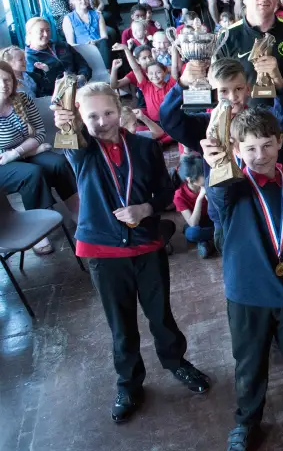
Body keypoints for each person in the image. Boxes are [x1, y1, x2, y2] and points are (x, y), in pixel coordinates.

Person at [52, 83, 210, 422]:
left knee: (161, 314)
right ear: (80, 117)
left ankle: (176, 362)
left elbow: (164, 191)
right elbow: (73, 138)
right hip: (103, 249)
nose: (101, 121)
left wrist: (147, 210)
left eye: (108, 112)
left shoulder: (143, 146)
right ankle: (128, 383)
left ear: (119, 110)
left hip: (146, 243)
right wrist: (66, 123)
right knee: (120, 324)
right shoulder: (80, 149)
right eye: (91, 116)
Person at [201, 108, 283, 451]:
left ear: (280, 142)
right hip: (247, 292)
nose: (259, 156)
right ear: (236, 150)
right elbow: (217, 202)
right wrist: (217, 164)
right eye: (250, 149)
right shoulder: (230, 184)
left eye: (266, 145)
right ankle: (246, 422)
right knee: (249, 363)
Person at [0, 60, 79, 256]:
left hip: (24, 152)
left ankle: (79, 214)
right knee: (32, 174)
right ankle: (39, 232)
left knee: (59, 163)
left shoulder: (23, 99)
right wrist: (20, 153)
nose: (3, 85)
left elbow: (40, 133)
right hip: (3, 163)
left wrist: (18, 153)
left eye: (7, 80)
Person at [24, 17, 92, 97]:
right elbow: (42, 86)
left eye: (48, 30)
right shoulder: (28, 58)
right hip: (58, 95)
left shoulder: (62, 45)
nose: (46, 34)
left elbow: (82, 63)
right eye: (41, 31)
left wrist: (83, 75)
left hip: (80, 85)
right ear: (30, 33)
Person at [173, 154, 215, 258]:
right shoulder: (179, 195)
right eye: (203, 174)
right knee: (192, 233)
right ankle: (215, 238)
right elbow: (193, 222)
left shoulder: (211, 183)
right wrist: (200, 198)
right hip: (199, 223)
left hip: (214, 220)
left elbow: (219, 212)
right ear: (190, 179)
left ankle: (207, 242)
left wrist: (210, 197)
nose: (207, 175)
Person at [62, 0, 110, 66]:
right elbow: (71, 43)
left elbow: (104, 36)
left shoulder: (97, 14)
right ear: (73, 1)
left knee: (104, 43)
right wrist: (86, 46)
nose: (83, 1)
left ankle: (107, 71)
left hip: (98, 46)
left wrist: (95, 42)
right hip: (81, 49)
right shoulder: (68, 19)